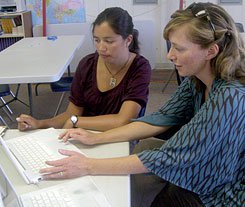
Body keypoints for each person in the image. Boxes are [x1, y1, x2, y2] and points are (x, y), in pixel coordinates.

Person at [40, 3, 245, 207]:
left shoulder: (229, 96)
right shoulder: (197, 80)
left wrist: (89, 166)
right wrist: (96, 138)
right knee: (144, 150)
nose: (169, 55)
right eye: (171, 45)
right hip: (209, 165)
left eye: (179, 48)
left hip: (223, 189)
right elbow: (160, 118)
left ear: (211, 51)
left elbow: (172, 156)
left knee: (159, 192)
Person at [16, 7, 151, 132]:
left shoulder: (139, 67)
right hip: (83, 132)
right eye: (97, 40)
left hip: (118, 137)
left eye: (109, 41)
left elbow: (123, 120)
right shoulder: (87, 64)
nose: (101, 48)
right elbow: (72, 113)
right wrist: (40, 124)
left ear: (128, 40)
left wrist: (76, 121)